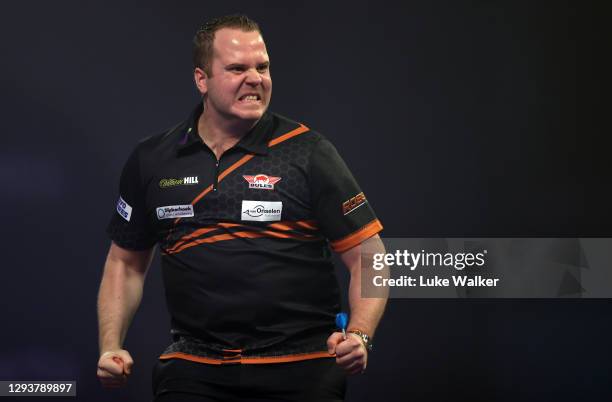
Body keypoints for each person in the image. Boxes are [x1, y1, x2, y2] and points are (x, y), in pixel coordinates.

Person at [96, 14, 387, 402]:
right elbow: (125, 263)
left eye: (262, 67)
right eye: (237, 68)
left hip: (302, 365)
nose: (255, 78)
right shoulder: (153, 159)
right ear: (202, 79)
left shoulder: (308, 151)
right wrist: (110, 345)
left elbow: (370, 256)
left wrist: (360, 334)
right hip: (193, 367)